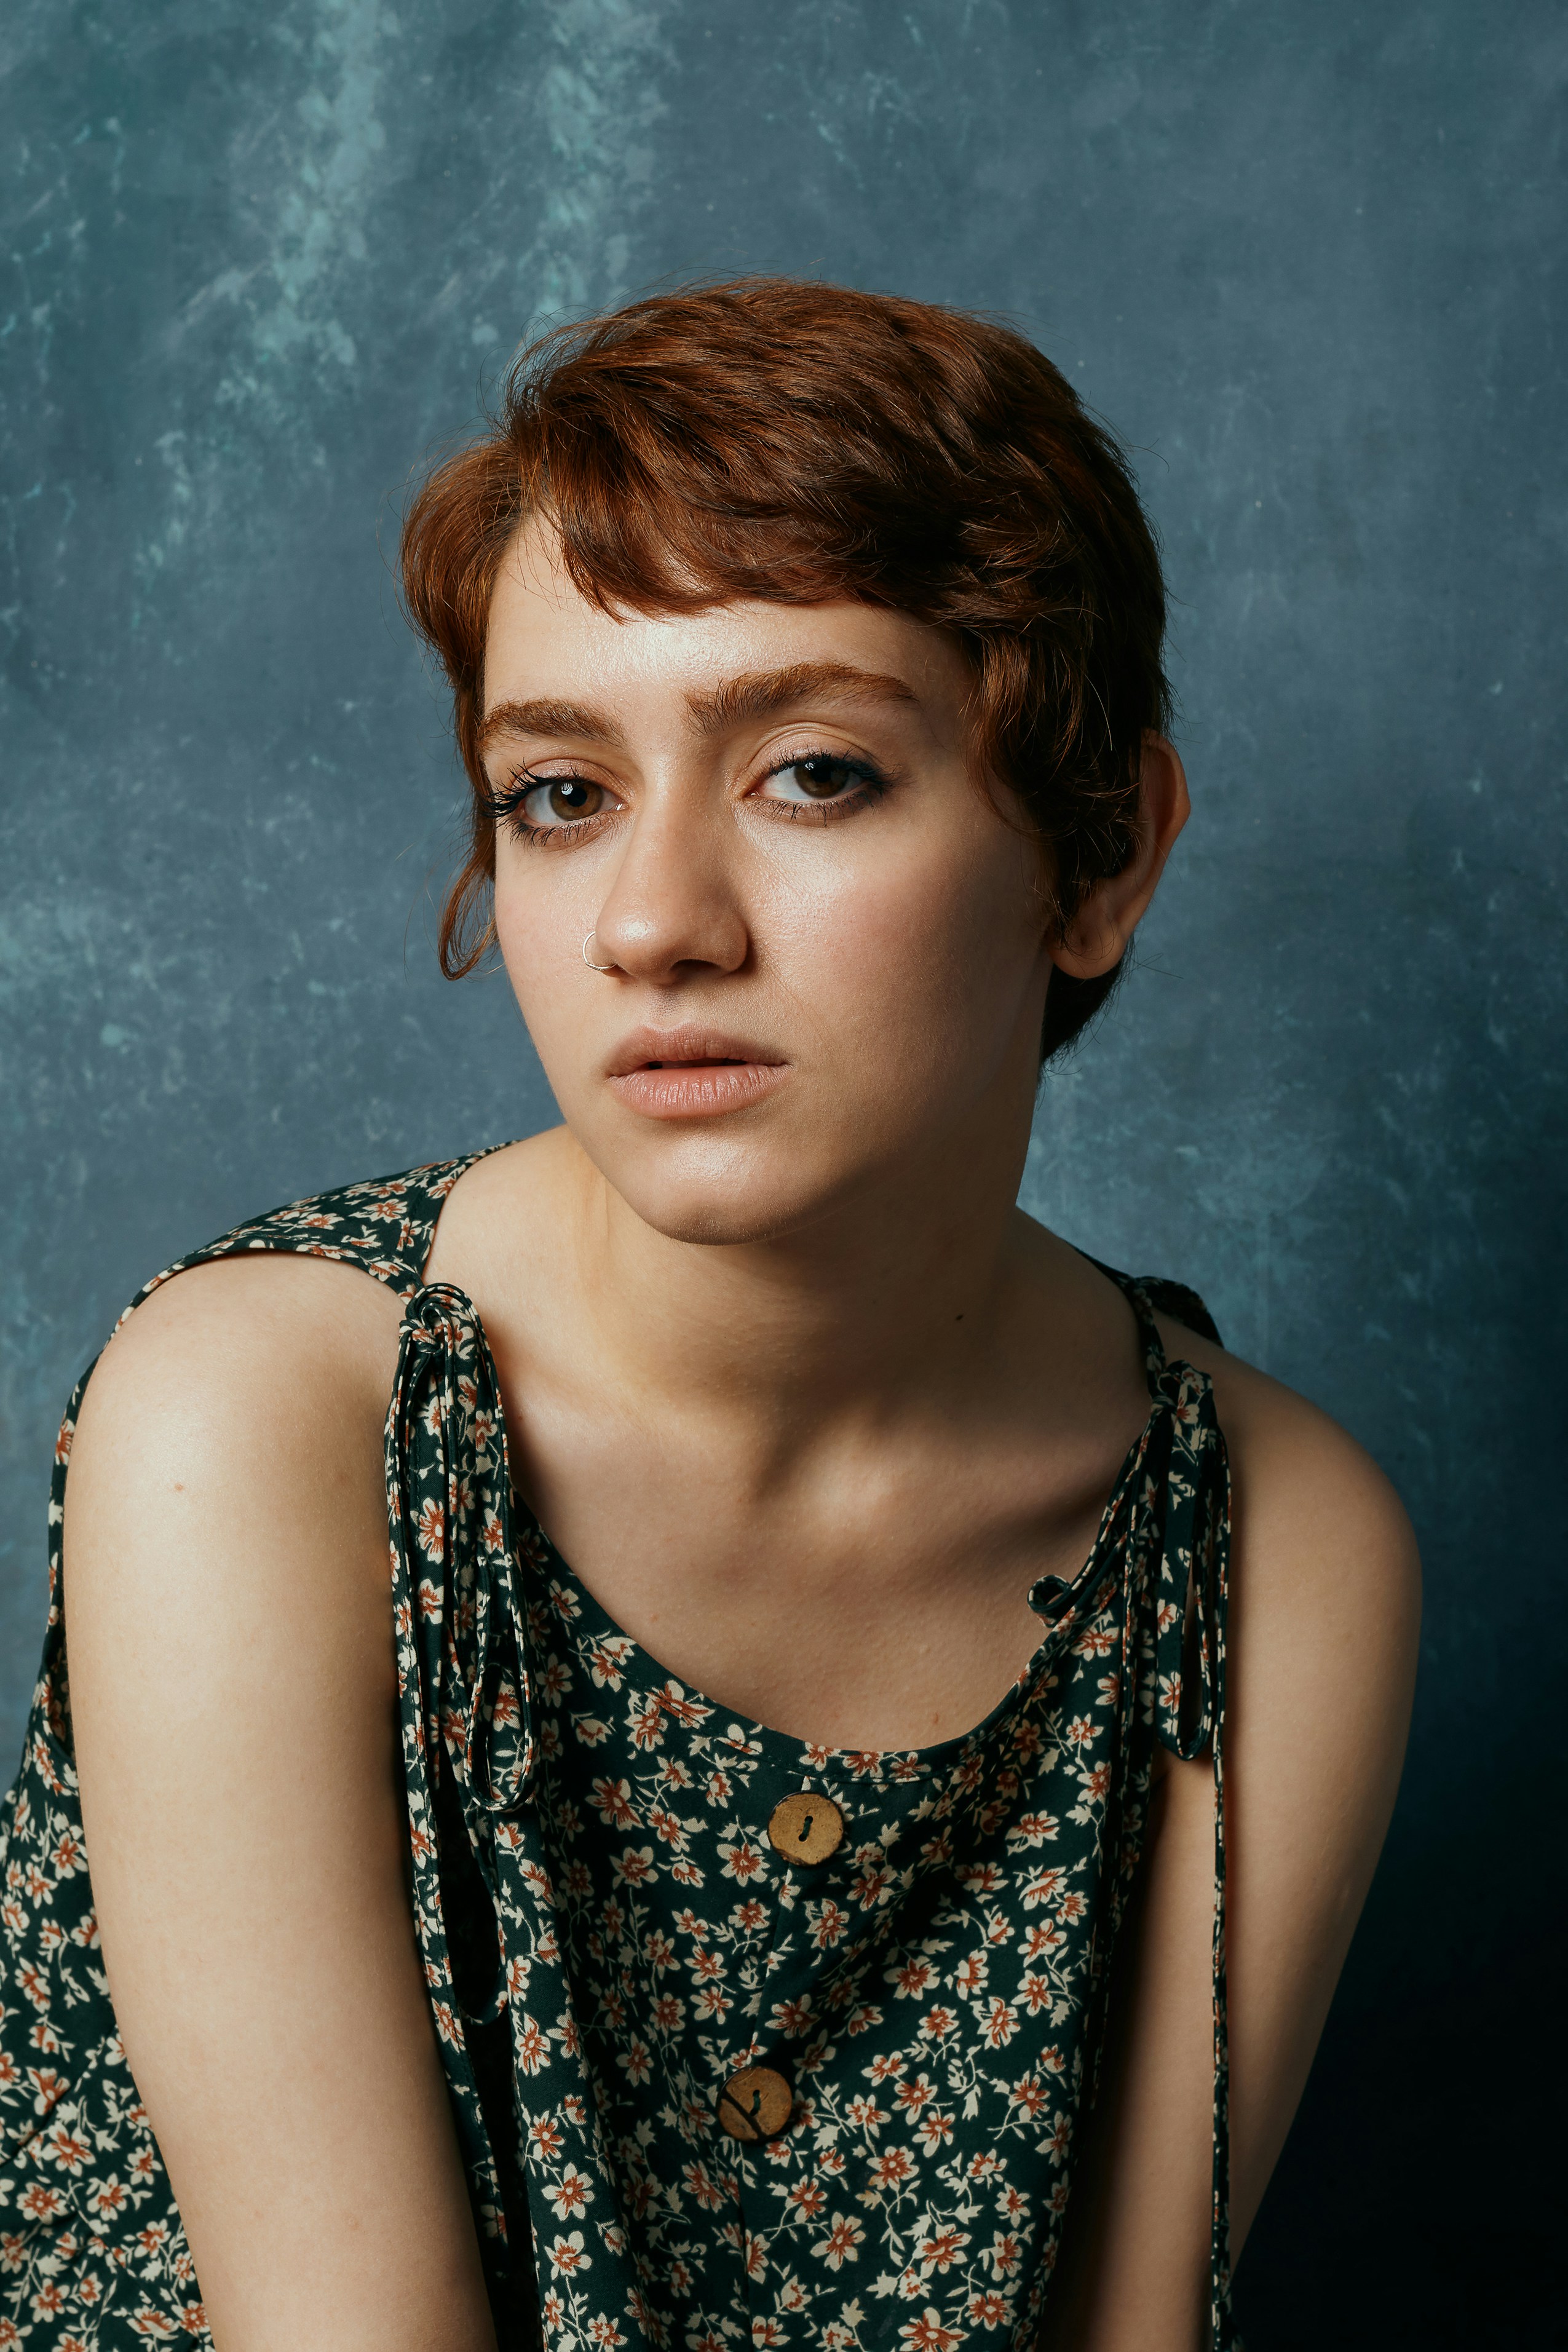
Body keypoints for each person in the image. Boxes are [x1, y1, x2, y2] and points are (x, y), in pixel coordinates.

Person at [0, 280, 1419, 2352]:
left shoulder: (1274, 1546)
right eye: (560, 792)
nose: (657, 922)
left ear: (1103, 855)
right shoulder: (261, 1415)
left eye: (814, 771)